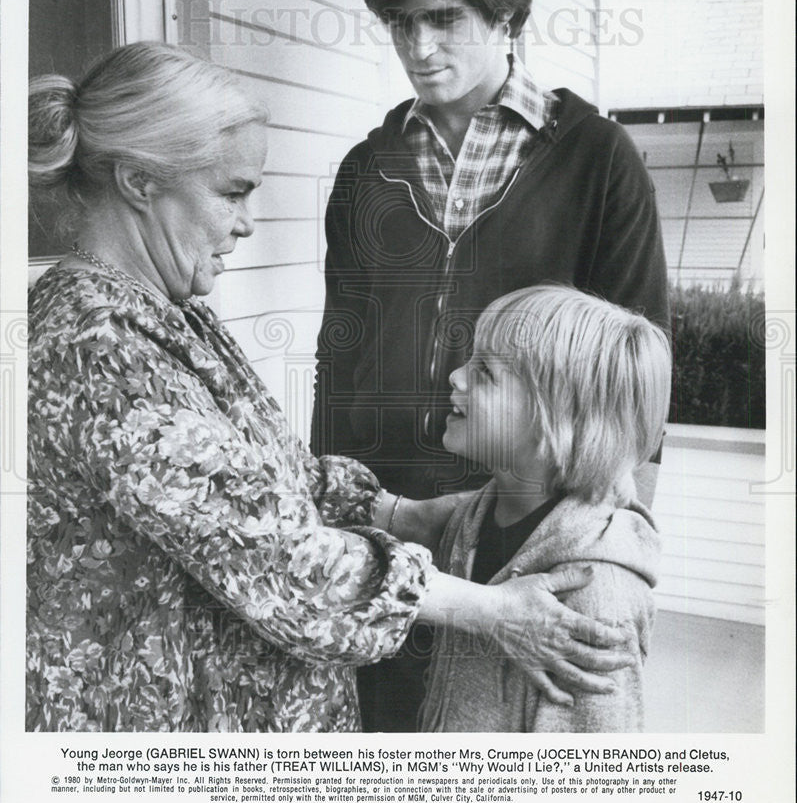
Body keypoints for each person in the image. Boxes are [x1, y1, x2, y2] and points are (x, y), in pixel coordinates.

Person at [26, 41, 632, 733]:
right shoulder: (97, 343)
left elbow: (252, 482)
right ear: (139, 181)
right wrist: (491, 611)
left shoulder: (165, 310)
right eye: (232, 192)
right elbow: (279, 559)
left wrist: (399, 512)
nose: (247, 223)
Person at [312, 0, 670, 730]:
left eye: (443, 18)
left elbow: (634, 380)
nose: (417, 47)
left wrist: (625, 543)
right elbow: (339, 358)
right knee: (386, 743)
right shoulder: (366, 169)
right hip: (386, 521)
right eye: (398, 22)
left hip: (524, 527)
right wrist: (334, 513)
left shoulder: (595, 160)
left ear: (506, 13)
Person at [422, 285, 671, 732]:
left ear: (557, 418)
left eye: (486, 372)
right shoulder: (472, 521)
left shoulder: (596, 595)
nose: (457, 376)